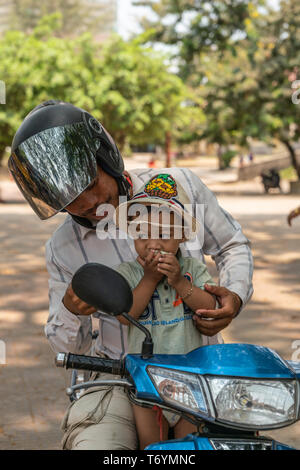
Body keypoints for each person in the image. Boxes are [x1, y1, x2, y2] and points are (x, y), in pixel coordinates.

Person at [9, 100, 253, 450]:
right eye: (69, 198)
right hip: (118, 379)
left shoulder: (179, 186)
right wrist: (70, 309)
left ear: (107, 156)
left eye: (92, 183)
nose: (88, 203)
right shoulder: (63, 248)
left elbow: (232, 245)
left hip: (201, 366)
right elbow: (68, 347)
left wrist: (234, 295)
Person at [114, 176, 216, 449]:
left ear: (182, 235)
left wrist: (181, 283)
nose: (152, 244)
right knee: (153, 446)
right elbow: (124, 315)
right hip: (145, 378)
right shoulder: (129, 273)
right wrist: (148, 280)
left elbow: (210, 306)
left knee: (185, 445)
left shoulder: (193, 269)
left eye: (163, 235)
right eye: (142, 235)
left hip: (190, 379)